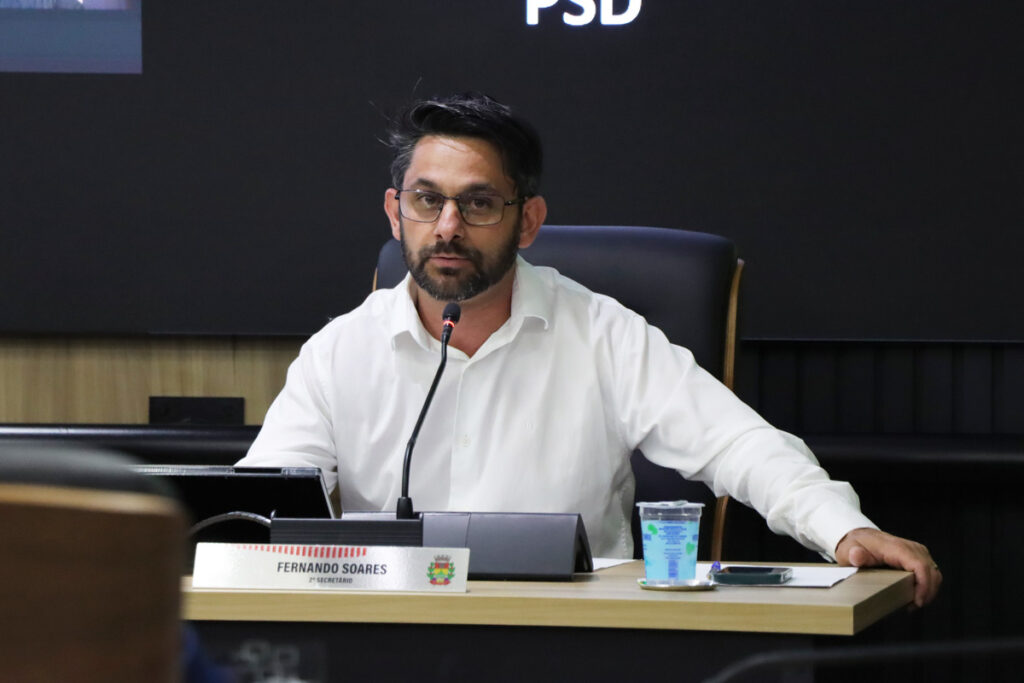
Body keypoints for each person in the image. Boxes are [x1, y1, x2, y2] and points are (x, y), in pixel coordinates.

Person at [238, 92, 941, 607]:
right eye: (427, 200)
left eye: (478, 204)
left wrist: (844, 529)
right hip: (388, 635)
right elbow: (256, 508)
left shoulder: (603, 333)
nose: (447, 226)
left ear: (528, 221)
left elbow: (739, 445)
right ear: (396, 213)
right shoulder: (341, 350)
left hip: (574, 636)